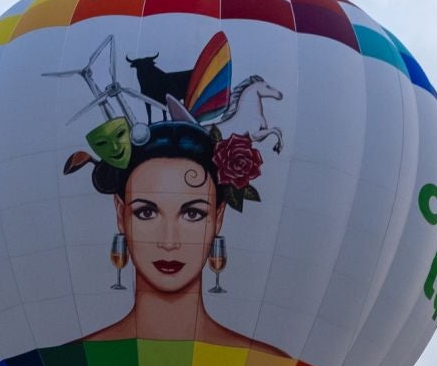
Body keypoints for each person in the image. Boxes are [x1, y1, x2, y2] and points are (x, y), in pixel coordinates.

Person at [64, 119, 284, 353]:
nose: (169, 241)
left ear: (218, 217)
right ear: (121, 213)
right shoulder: (69, 365)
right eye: (146, 212)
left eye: (192, 213)